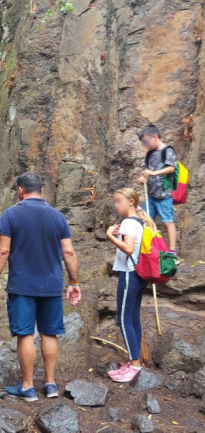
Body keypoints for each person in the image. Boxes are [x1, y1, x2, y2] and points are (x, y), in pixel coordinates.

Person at [0, 172, 81, 401]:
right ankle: (50, 384)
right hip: (51, 286)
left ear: (20, 190)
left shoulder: (10, 215)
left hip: (22, 286)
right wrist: (74, 282)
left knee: (25, 334)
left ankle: (28, 387)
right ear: (42, 190)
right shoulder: (58, 217)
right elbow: (68, 252)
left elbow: (2, 251)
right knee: (50, 333)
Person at [105, 188, 155, 382]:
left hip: (129, 274)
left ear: (131, 202)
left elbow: (128, 248)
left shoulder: (128, 222)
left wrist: (110, 235)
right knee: (133, 318)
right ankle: (135, 360)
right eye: (114, 201)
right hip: (139, 274)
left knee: (124, 319)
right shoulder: (138, 221)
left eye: (118, 201)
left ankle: (134, 365)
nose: (115, 205)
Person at [137, 124, 177, 255]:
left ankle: (172, 252)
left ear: (154, 137)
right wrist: (142, 178)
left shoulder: (168, 151)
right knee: (145, 221)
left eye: (146, 142)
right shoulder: (149, 154)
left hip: (164, 195)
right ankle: (148, 250)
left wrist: (154, 173)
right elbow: (145, 170)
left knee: (168, 222)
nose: (145, 145)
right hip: (150, 195)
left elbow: (171, 168)